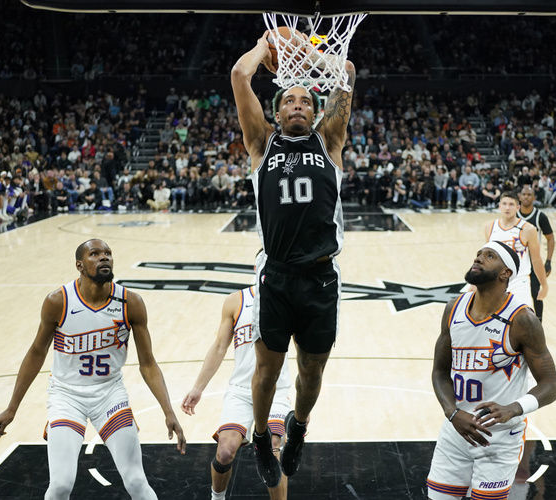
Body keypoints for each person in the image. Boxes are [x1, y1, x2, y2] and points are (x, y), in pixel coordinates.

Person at [231, 32, 354, 487]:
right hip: (277, 275)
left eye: (307, 101)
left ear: (316, 111)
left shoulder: (330, 141)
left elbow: (348, 73)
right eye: (290, 101)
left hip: (321, 275)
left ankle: (298, 426)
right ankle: (262, 435)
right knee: (268, 367)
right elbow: (240, 75)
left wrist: (308, 51)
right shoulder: (262, 145)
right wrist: (266, 43)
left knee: (312, 369)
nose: (299, 105)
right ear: (277, 111)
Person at [0, 239, 185, 499]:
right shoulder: (58, 301)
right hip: (66, 396)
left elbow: (148, 364)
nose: (104, 257)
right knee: (60, 485)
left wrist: (168, 411)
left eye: (108, 253)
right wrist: (12, 407)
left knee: (137, 480)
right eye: (95, 254)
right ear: (80, 265)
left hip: (109, 394)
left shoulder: (131, 303)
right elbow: (36, 353)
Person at [427, 242, 556, 500]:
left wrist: (514, 408)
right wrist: (452, 412)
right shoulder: (453, 308)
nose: (478, 258)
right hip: (455, 431)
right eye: (478, 254)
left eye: (489, 256)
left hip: (499, 439)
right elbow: (439, 372)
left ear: (505, 273)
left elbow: (551, 385)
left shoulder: (522, 319)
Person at [181, 282, 291, 500]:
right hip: (241, 391)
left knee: (273, 446)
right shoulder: (235, 301)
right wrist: (198, 387)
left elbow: (305, 347)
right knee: (224, 453)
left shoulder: (289, 298)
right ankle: (217, 497)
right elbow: (220, 346)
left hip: (275, 390)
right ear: (257, 266)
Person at [483, 191, 548, 308]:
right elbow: (487, 258)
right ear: (499, 206)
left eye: (511, 204)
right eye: (504, 204)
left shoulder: (528, 229)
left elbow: (536, 260)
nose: (507, 207)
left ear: (518, 207)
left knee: (523, 322)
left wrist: (544, 285)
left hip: (519, 282)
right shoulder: (490, 227)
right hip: (496, 282)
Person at [517, 186, 554, 322]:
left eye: (529, 194)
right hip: (517, 262)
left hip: (533, 261)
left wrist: (548, 261)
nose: (526, 197)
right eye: (524, 194)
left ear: (534, 198)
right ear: (519, 197)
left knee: (536, 293)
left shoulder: (540, 217)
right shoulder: (514, 216)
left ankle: (539, 323)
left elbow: (550, 238)